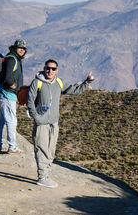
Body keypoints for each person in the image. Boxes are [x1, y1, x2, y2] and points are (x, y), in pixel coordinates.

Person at [26, 59, 95, 188]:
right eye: (48, 68)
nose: (50, 71)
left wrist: (87, 82)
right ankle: (42, 177)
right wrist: (37, 118)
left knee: (51, 150)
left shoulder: (59, 82)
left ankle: (46, 175)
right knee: (41, 149)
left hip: (54, 123)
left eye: (53, 69)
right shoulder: (37, 83)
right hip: (41, 123)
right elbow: (30, 101)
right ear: (44, 68)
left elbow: (75, 90)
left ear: (57, 70)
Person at [0, 39, 27, 154]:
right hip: (8, 94)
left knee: (1, 121)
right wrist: (13, 86)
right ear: (14, 48)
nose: (22, 50)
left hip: (5, 94)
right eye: (20, 48)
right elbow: (7, 76)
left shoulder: (12, 58)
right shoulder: (12, 59)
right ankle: (12, 147)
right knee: (12, 121)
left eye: (23, 49)